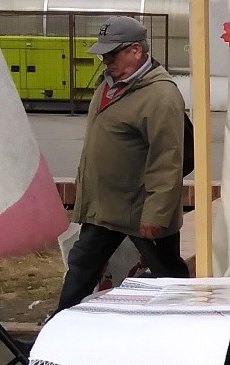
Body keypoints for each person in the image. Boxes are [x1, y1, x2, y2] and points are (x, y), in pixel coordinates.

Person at [58, 15, 190, 309]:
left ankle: (187, 324)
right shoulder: (108, 85)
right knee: (81, 267)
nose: (106, 61)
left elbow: (167, 158)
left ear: (136, 50)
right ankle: (59, 324)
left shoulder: (161, 95)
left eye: (112, 53)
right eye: (103, 54)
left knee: (169, 275)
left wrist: (156, 213)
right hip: (105, 206)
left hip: (141, 208)